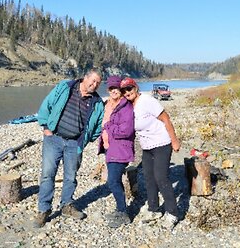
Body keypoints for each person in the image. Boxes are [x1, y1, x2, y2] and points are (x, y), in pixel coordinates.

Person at [33, 69, 105, 228]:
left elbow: (98, 127)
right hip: (54, 138)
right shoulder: (65, 87)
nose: (94, 85)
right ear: (84, 78)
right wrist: (46, 127)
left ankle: (66, 205)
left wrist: (84, 141)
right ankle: (44, 210)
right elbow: (47, 104)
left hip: (75, 144)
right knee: (47, 174)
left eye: (97, 83)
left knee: (70, 177)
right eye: (92, 81)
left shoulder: (97, 103)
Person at [120, 77, 181, 230]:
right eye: (124, 90)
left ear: (136, 87)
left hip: (162, 143)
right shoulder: (128, 106)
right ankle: (154, 209)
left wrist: (174, 140)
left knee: (161, 177)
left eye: (129, 88)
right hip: (147, 147)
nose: (127, 92)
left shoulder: (146, 100)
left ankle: (172, 213)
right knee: (148, 178)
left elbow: (165, 118)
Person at [97, 75, 135, 228]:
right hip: (109, 148)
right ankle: (120, 209)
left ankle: (124, 213)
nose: (114, 91)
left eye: (117, 88)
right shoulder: (107, 104)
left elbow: (126, 131)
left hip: (120, 149)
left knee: (112, 181)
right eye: (111, 88)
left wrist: (108, 127)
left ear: (121, 90)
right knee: (115, 180)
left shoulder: (126, 107)